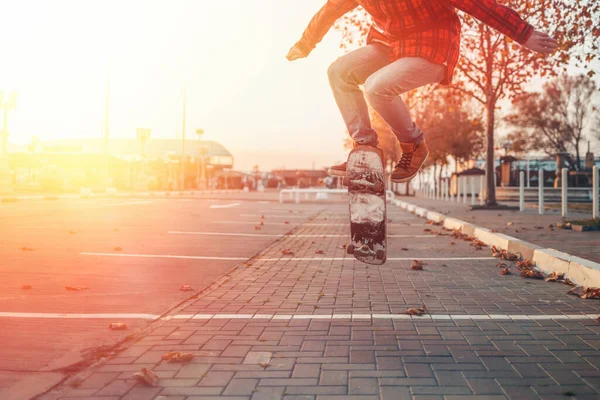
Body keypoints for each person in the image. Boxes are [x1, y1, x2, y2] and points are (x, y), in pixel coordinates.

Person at [287, 0, 557, 183]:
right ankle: (366, 148)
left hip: (433, 43)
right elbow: (330, 10)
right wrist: (305, 43)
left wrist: (523, 33)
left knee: (377, 87)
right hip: (389, 44)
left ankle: (414, 145)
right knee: (338, 71)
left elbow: (477, 4)